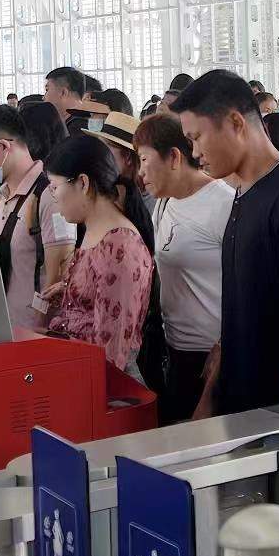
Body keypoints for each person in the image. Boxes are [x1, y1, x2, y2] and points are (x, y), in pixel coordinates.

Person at [175, 71, 279, 415]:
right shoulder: (244, 192)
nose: (195, 152)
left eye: (197, 137)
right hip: (242, 408)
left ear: (235, 123)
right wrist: (211, 397)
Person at [136, 114, 232, 424]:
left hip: (213, 357)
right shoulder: (165, 203)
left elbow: (249, 285)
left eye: (144, 159)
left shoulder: (223, 203)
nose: (140, 172)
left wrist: (226, 346)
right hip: (175, 352)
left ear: (174, 157)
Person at [43, 135, 155, 383]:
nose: (53, 197)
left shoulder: (120, 248)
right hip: (79, 374)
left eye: (54, 187)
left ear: (83, 183)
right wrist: (72, 292)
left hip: (100, 385)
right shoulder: (95, 229)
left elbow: (110, 354)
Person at [0, 105, 75, 334]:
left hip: (34, 334)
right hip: (3, 327)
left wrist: (38, 329)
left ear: (3, 147)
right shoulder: (1, 194)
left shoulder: (50, 196)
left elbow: (58, 272)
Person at [81, 113, 155, 251]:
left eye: (105, 151)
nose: (98, 158)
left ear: (127, 157)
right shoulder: (106, 195)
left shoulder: (156, 199)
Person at [44, 66, 92, 134]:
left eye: (47, 90)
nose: (43, 97)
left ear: (63, 92)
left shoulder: (78, 128)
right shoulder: (87, 120)